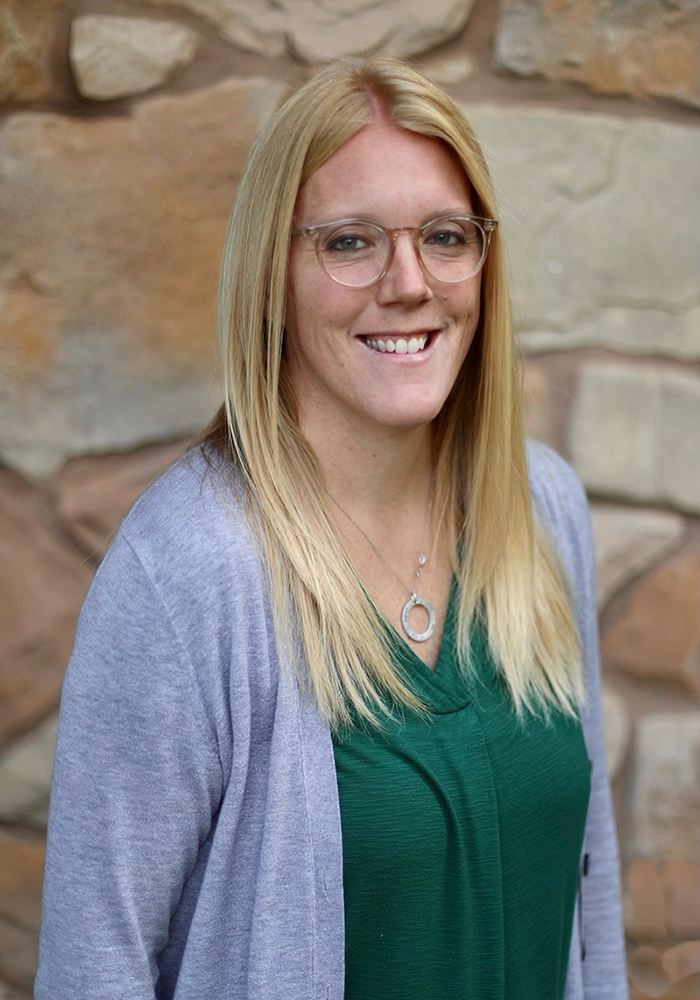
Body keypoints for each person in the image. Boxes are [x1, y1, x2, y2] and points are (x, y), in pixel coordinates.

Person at [35, 57, 628, 1000]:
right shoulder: (190, 574)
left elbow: (588, 882)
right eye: (350, 243)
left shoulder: (542, 510)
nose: (409, 283)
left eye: (444, 236)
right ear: (276, 272)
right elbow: (93, 964)